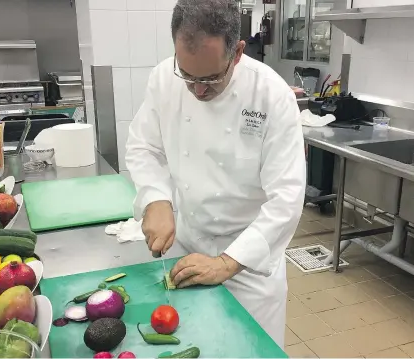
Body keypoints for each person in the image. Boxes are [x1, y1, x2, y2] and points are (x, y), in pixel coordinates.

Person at [125, 0, 306, 348]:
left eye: (210, 78)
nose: (198, 90)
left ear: (237, 52)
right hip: (187, 254)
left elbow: (286, 199)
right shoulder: (163, 78)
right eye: (188, 76)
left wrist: (226, 262)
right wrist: (156, 198)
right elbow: (144, 147)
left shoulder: (271, 96)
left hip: (249, 265)